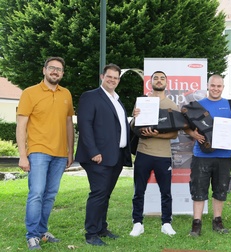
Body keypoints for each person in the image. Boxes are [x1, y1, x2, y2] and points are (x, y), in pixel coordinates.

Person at [16, 57, 75, 250]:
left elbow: (68, 124)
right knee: (36, 193)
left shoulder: (66, 94)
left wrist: (70, 151)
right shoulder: (29, 93)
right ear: (44, 70)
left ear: (62, 73)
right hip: (38, 151)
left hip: (60, 154)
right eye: (52, 68)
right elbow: (21, 125)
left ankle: (42, 231)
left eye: (59, 69)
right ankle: (32, 235)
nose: (55, 72)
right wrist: (23, 155)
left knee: (50, 194)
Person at [75, 63, 132, 246]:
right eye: (109, 77)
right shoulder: (91, 97)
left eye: (116, 78)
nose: (112, 80)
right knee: (98, 193)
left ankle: (101, 228)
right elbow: (85, 126)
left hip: (115, 156)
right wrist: (93, 152)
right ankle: (91, 234)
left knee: (105, 194)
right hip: (98, 157)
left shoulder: (116, 99)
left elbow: (117, 126)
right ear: (102, 77)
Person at [186, 74, 231, 236]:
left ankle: (218, 221)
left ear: (223, 87)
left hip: (224, 156)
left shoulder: (230, 105)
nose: (216, 89)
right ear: (208, 86)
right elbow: (185, 125)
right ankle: (196, 224)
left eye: (219, 86)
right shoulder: (197, 105)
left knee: (220, 189)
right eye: (213, 85)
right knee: (198, 189)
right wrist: (193, 134)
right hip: (201, 155)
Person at [129, 71, 178, 237]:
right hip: (143, 152)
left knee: (166, 192)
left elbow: (174, 134)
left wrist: (156, 135)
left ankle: (166, 223)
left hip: (163, 156)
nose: (159, 80)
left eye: (162, 78)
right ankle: (137, 223)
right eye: (156, 78)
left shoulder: (172, 105)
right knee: (138, 191)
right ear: (150, 82)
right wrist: (135, 117)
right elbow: (133, 128)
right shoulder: (142, 102)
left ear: (166, 82)